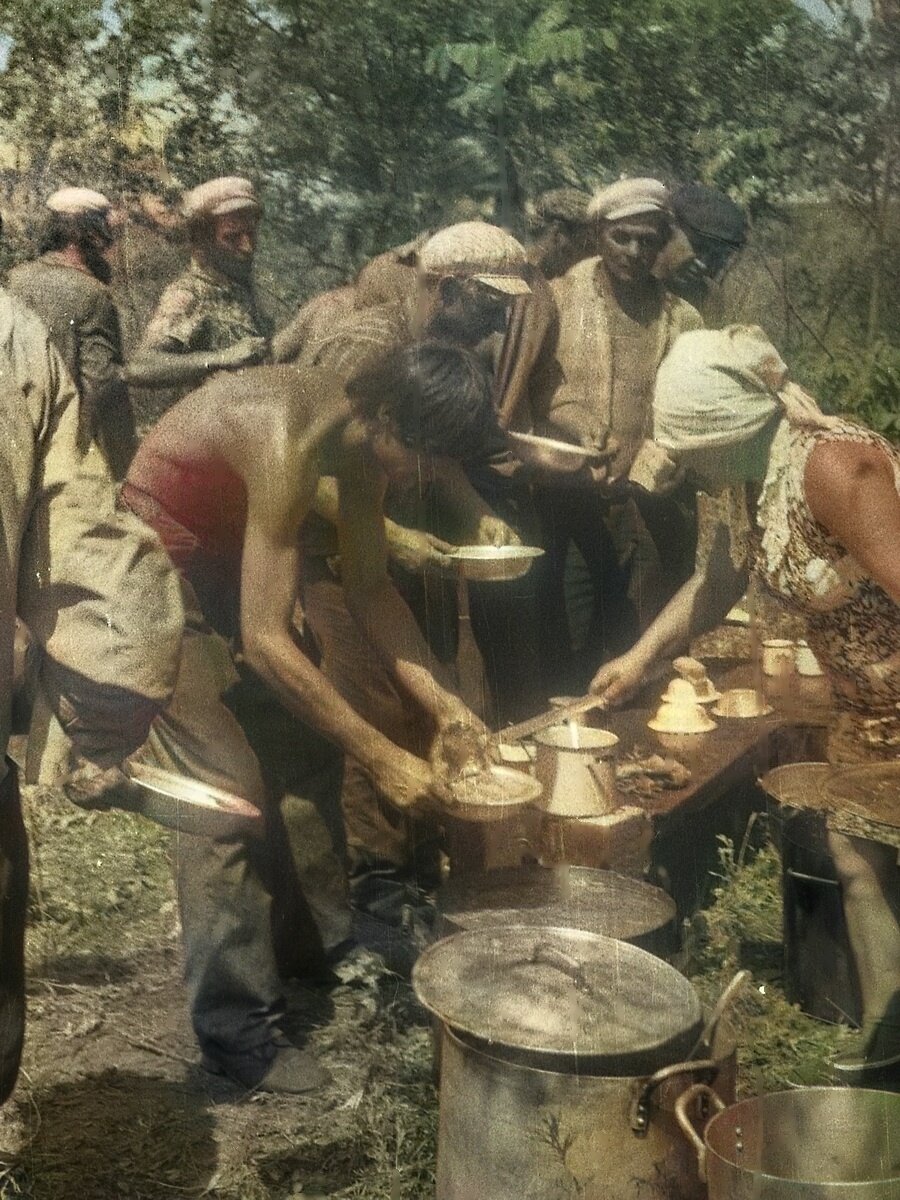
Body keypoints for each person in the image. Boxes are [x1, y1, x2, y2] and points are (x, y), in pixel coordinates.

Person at [107, 349, 490, 1093]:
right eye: (421, 456)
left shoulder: (364, 448)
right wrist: (382, 755)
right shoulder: (285, 433)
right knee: (224, 791)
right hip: (157, 560)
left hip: (229, 550)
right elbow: (265, 639)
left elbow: (374, 588)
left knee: (306, 746)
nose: (421, 477)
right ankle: (236, 1031)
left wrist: (447, 707)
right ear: (385, 417)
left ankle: (316, 943)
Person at [591, 325, 900, 1083]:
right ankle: (888, 1035)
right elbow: (720, 581)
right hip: (866, 702)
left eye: (690, 453)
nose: (687, 470)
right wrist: (637, 660)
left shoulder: (834, 465)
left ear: (725, 432)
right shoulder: (742, 483)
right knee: (858, 855)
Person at [0, 268, 183, 1104]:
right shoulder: (16, 334)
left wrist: (111, 681)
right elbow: (81, 533)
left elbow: (74, 523)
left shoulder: (18, 338)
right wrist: (115, 681)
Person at [529, 178, 703, 694]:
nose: (634, 251)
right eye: (622, 237)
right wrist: (574, 425)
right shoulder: (558, 301)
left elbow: (693, 413)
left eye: (647, 240)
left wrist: (662, 461)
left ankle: (647, 760)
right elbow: (531, 391)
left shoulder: (684, 319)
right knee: (573, 636)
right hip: (572, 501)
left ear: (662, 241)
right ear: (599, 233)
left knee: (644, 642)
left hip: (650, 507)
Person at [7, 187, 137, 479]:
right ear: (89, 236)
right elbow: (100, 381)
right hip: (63, 444)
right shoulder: (92, 293)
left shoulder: (15, 280)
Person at [126, 176, 271, 415]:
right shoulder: (189, 293)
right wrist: (223, 358)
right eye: (232, 237)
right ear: (202, 240)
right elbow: (140, 367)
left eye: (251, 234)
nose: (248, 247)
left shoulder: (240, 289)